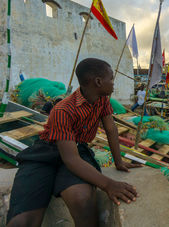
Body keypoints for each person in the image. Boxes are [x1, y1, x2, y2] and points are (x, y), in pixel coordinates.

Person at [7, 58, 142, 227]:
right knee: (21, 221)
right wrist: (109, 184)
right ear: (98, 82)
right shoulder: (63, 110)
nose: (113, 83)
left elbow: (111, 129)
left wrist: (119, 161)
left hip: (77, 149)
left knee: (81, 199)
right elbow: (71, 160)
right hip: (46, 153)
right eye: (111, 78)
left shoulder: (102, 100)